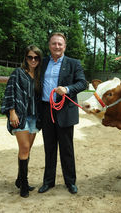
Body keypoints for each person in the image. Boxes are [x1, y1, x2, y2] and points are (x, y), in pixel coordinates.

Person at [36, 32, 88, 194]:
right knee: (49, 148)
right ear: (49, 46)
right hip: (46, 110)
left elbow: (82, 83)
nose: (57, 46)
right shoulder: (42, 63)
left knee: (66, 149)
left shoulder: (74, 63)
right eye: (54, 43)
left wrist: (67, 89)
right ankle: (48, 182)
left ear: (64, 46)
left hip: (64, 110)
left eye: (60, 44)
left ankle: (70, 182)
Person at [0, 45, 42, 198]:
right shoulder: (18, 73)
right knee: (24, 148)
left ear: (39, 59)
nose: (33, 60)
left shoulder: (38, 76)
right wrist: (12, 112)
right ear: (26, 58)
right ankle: (24, 184)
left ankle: (19, 179)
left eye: (36, 57)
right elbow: (9, 91)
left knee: (27, 150)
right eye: (30, 57)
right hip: (20, 116)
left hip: (34, 117)